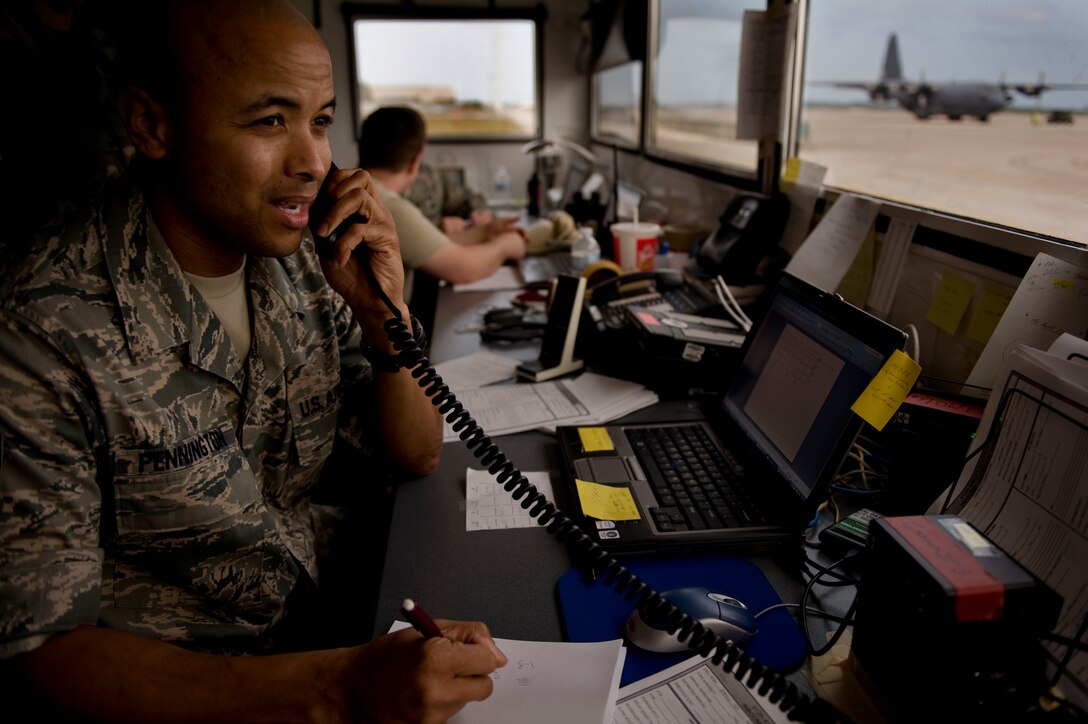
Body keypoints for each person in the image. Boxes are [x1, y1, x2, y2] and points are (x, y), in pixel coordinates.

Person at [0, 1, 507, 721]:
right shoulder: (43, 330)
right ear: (153, 125)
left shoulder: (305, 264)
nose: (312, 164)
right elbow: (39, 651)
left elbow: (417, 452)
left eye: (321, 121)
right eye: (270, 122)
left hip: (323, 623)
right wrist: (340, 689)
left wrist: (385, 323)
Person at [358, 106, 527, 302]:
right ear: (415, 161)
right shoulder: (384, 205)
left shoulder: (360, 192)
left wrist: (487, 231)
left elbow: (433, 246)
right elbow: (465, 268)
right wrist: (507, 245)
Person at [403, 162, 493, 236]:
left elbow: (463, 198)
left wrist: (478, 211)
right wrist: (436, 228)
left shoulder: (429, 176)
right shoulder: (390, 193)